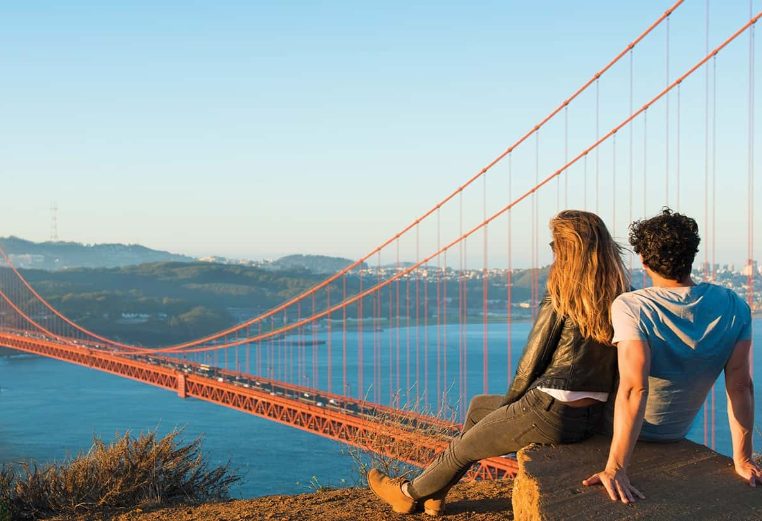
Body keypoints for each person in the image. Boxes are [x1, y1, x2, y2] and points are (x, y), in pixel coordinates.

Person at [368, 210, 630, 516]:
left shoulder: (562, 294)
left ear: (566, 248)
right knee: (480, 407)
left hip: (550, 409)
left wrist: (510, 408)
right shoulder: (622, 294)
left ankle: (406, 494)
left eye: (554, 245)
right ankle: (437, 491)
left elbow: (530, 363)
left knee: (462, 448)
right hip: (590, 415)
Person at [583, 208, 760, 504]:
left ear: (642, 259)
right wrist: (742, 459)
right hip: (674, 431)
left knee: (492, 407)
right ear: (692, 253)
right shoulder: (734, 305)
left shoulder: (631, 306)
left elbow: (634, 388)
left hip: (608, 427)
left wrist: (616, 468)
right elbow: (741, 386)